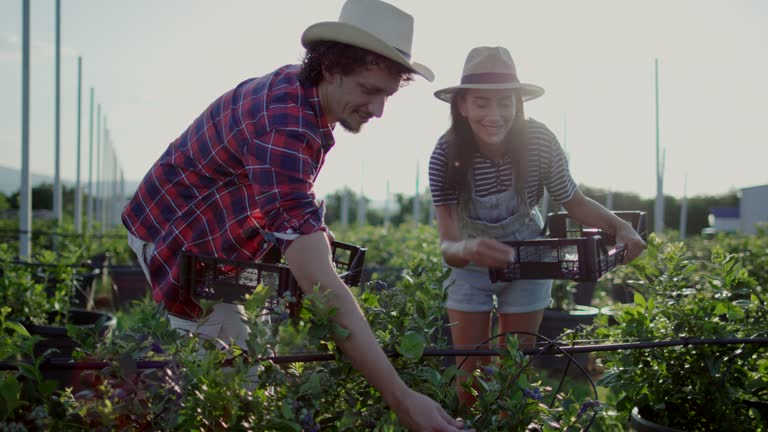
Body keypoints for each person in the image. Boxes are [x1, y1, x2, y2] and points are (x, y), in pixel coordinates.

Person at [122, 1, 467, 430]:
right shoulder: (285, 126)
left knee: (252, 359)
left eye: (386, 95)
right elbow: (318, 277)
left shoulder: (301, 97)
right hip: (179, 237)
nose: (378, 110)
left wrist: (310, 240)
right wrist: (402, 398)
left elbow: (289, 202)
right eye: (369, 89)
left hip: (219, 238)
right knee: (236, 394)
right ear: (330, 67)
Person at [428, 46, 647, 405]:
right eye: (482, 103)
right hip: (469, 260)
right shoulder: (446, 154)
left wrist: (620, 225)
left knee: (513, 368)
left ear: (518, 104)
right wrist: (470, 249)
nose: (494, 115)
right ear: (463, 106)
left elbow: (573, 201)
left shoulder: (539, 142)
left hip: (530, 253)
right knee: (470, 375)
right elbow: (448, 245)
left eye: (505, 103)